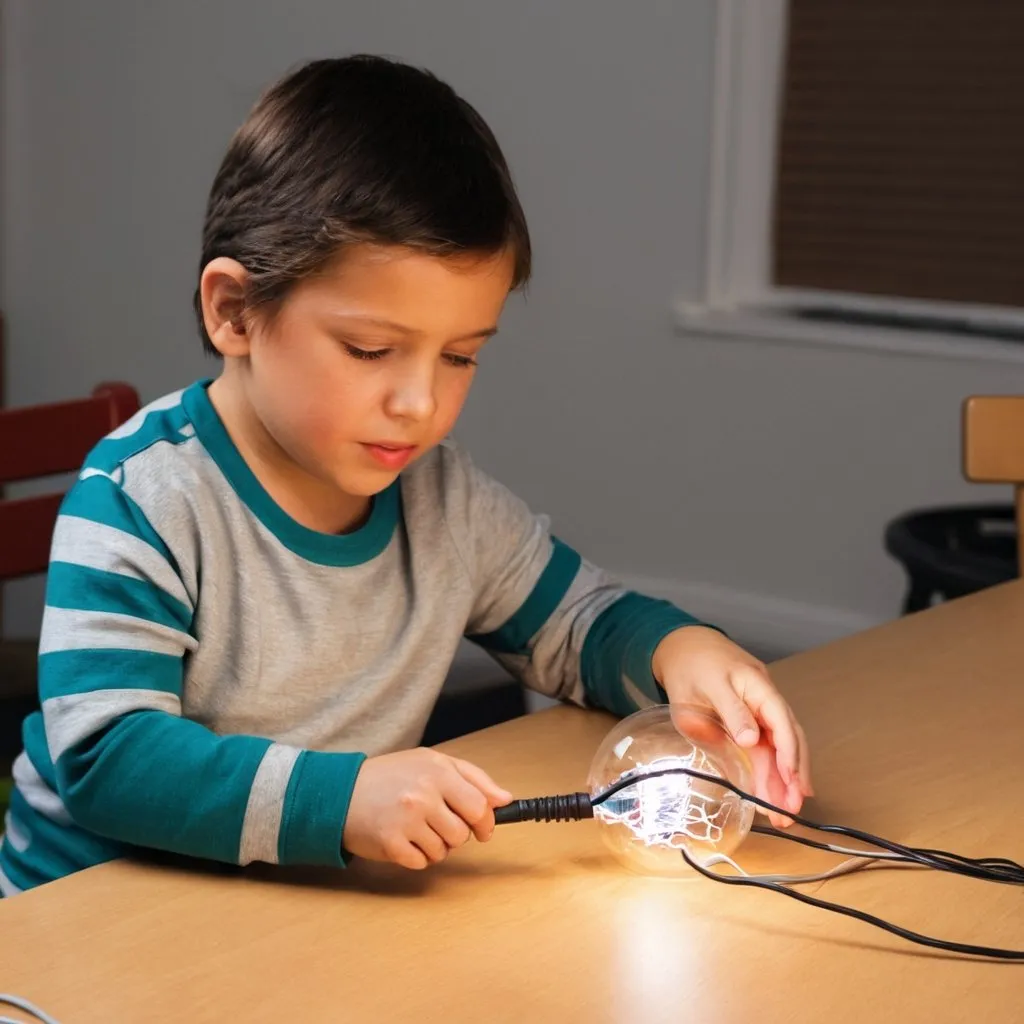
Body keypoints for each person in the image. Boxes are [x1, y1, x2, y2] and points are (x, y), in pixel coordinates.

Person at [0, 55, 812, 896]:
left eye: (460, 356)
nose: (420, 403)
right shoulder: (145, 499)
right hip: (91, 926)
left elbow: (581, 624)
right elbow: (107, 757)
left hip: (295, 911)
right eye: (370, 351)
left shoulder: (442, 501)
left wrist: (685, 650)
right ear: (234, 312)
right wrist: (341, 800)